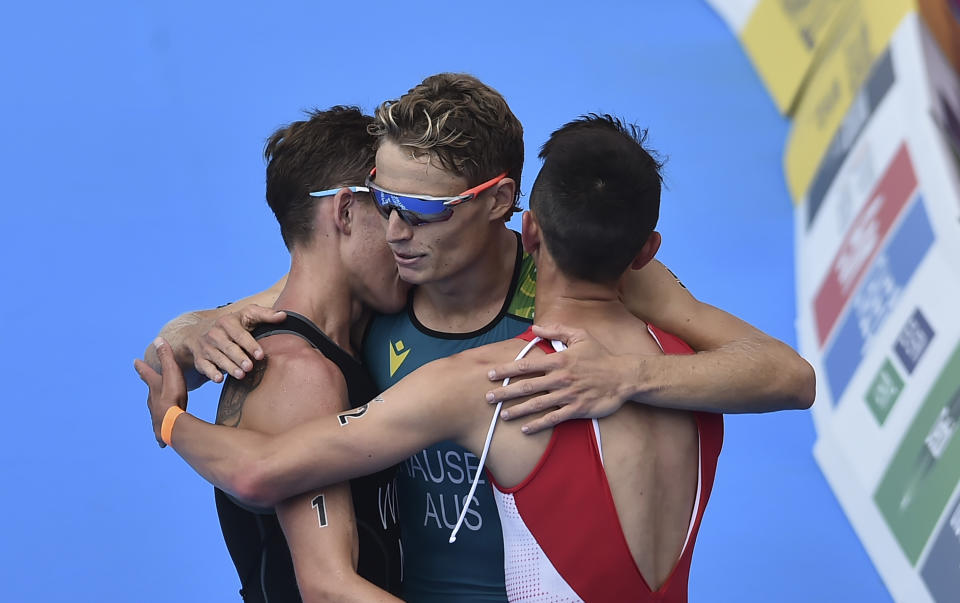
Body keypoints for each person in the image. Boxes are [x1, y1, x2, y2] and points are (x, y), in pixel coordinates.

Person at [148, 74, 814, 602]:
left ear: (505, 206)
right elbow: (224, 326)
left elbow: (787, 374)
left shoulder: (576, 267)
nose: (398, 229)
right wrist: (198, 333)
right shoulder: (388, 276)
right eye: (384, 200)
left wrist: (627, 375)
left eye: (424, 211)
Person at [147, 106, 407, 602]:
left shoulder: (345, 336)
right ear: (346, 211)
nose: (404, 231)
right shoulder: (300, 374)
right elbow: (329, 590)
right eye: (392, 207)